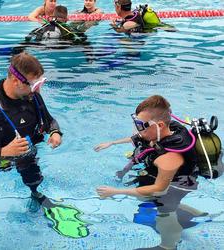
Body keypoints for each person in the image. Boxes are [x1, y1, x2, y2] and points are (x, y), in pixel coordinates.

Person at [95, 95, 223, 249]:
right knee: (152, 199)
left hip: (178, 184)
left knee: (164, 209)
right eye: (136, 122)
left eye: (141, 125)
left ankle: (168, 245)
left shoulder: (168, 159)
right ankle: (197, 216)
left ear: (160, 125)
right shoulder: (169, 128)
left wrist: (116, 191)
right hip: (168, 175)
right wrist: (112, 142)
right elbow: (139, 138)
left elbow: (159, 188)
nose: (137, 128)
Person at [0, 52, 62, 226]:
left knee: (34, 179)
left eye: (40, 83)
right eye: (34, 84)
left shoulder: (32, 96)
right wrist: (3, 152)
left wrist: (55, 132)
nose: (38, 89)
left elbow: (49, 119)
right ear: (16, 80)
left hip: (24, 152)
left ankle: (36, 195)